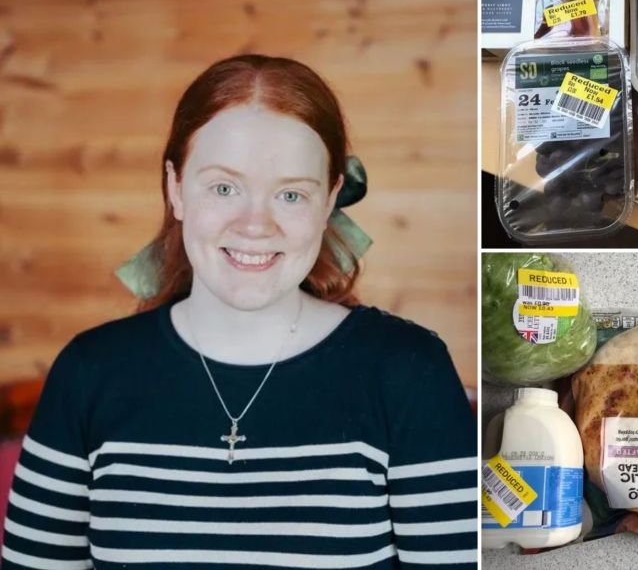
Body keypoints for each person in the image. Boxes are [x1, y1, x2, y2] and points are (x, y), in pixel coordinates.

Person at [1, 55, 477, 569]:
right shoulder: (87, 372)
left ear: (329, 199)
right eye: (224, 187)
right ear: (175, 188)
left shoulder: (411, 371)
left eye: (291, 194)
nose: (255, 225)